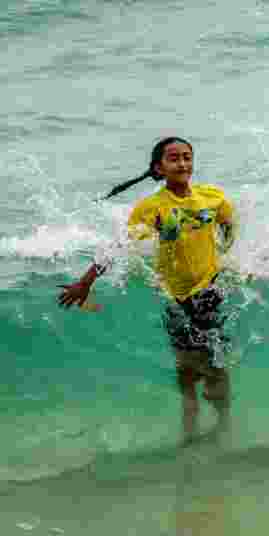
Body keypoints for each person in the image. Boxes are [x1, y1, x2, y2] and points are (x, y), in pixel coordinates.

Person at [57, 137, 237, 445]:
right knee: (185, 369)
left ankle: (223, 423)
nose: (182, 163)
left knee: (214, 365)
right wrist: (86, 282)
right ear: (159, 168)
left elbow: (228, 225)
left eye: (186, 157)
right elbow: (119, 246)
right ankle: (189, 431)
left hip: (208, 290)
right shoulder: (152, 207)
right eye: (173, 158)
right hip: (175, 296)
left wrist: (229, 258)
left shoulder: (213, 197)